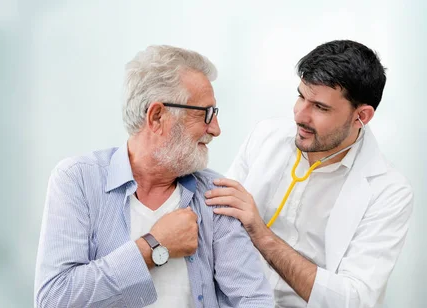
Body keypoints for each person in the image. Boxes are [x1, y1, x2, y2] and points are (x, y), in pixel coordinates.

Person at [34, 45, 273, 307]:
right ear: (157, 116)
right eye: (204, 113)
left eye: (215, 114)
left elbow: (253, 298)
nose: (215, 129)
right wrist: (155, 246)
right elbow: (54, 299)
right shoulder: (77, 180)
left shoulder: (215, 196)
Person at [205, 40, 414, 308]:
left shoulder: (389, 192)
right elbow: (219, 222)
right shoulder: (265, 136)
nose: (300, 116)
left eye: (320, 107)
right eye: (301, 96)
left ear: (361, 116)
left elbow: (354, 299)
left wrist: (261, 234)